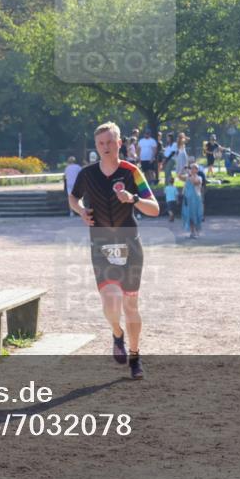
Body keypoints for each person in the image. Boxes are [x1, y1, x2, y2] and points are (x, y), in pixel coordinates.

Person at [69, 121, 159, 380]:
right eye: (100, 144)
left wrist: (133, 199)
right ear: (96, 146)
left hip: (130, 244)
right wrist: (81, 211)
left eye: (110, 142)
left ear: (120, 143)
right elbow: (73, 198)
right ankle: (116, 334)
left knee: (130, 304)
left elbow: (154, 208)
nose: (105, 148)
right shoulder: (86, 174)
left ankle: (135, 356)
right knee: (110, 302)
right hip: (100, 244)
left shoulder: (132, 171)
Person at [178, 164, 203, 238]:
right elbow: (179, 176)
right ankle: (192, 232)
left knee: (196, 215)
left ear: (197, 170)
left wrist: (190, 175)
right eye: (191, 168)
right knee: (189, 215)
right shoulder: (187, 177)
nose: (192, 170)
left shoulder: (199, 178)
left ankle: (197, 232)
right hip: (187, 199)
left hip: (196, 199)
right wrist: (182, 169)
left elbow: (195, 182)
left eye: (194, 168)